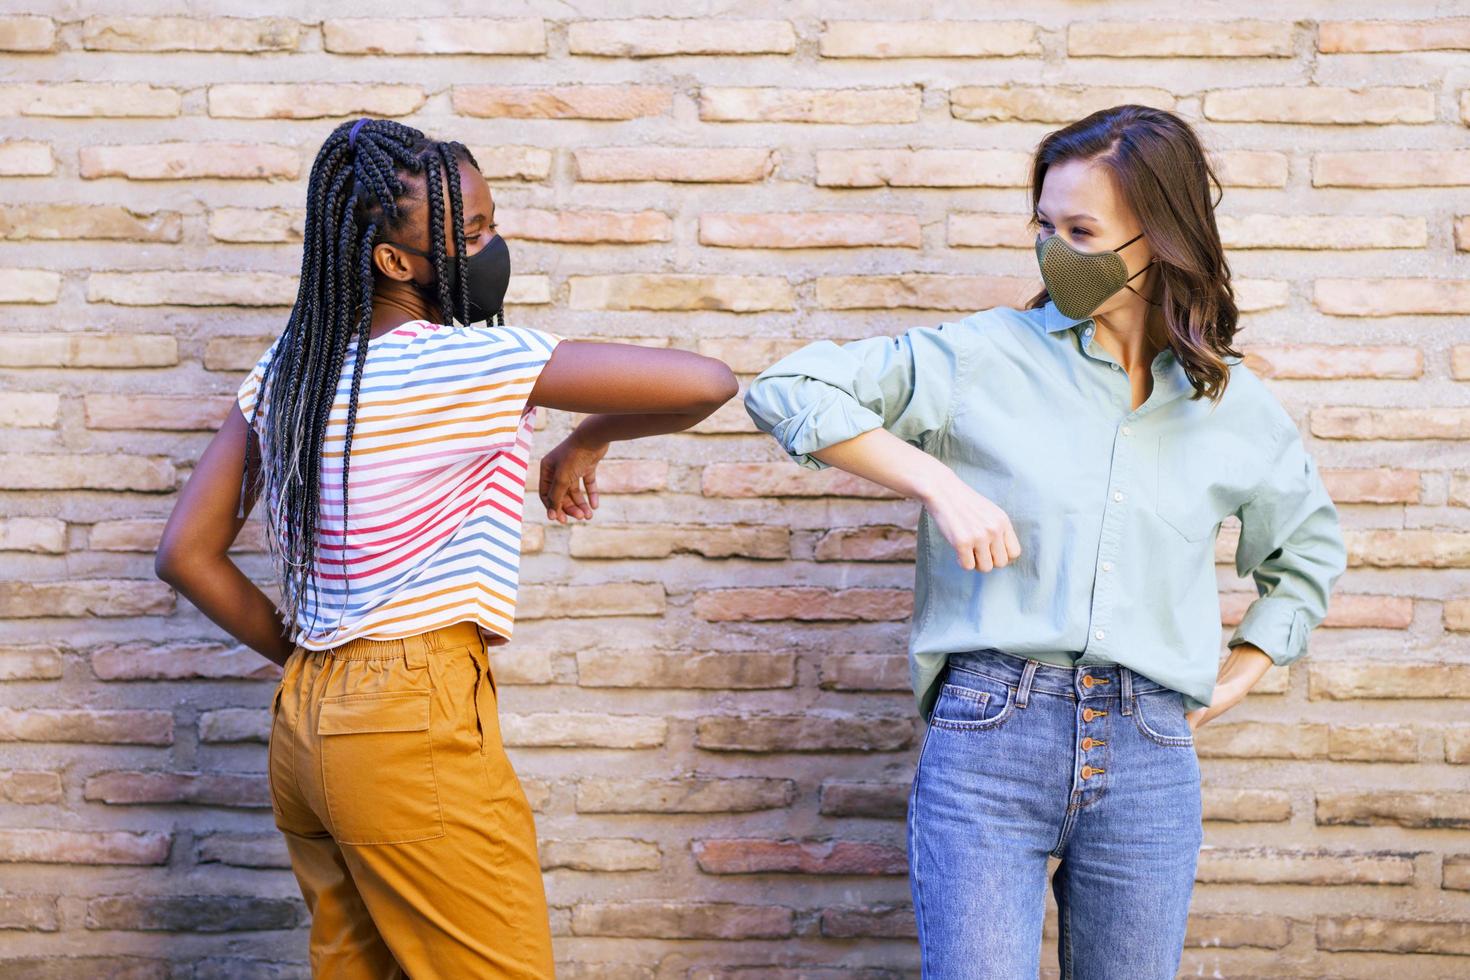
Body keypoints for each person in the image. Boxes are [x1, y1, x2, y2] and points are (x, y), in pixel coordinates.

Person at [742, 104, 1347, 979]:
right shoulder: (983, 356)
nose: (1053, 249)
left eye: (1081, 230)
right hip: (992, 733)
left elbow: (1307, 556)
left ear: (1159, 237)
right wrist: (937, 483)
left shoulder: (1230, 404)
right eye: (1044, 225)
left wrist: (1236, 677)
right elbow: (787, 386)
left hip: (1150, 752)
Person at [154, 117, 737, 978]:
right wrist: (588, 440)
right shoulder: (465, 364)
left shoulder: (293, 369)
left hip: (307, 728)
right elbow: (707, 383)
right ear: (394, 262)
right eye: (469, 235)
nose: (491, 246)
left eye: (490, 221)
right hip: (407, 715)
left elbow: (186, 554)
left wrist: (310, 656)